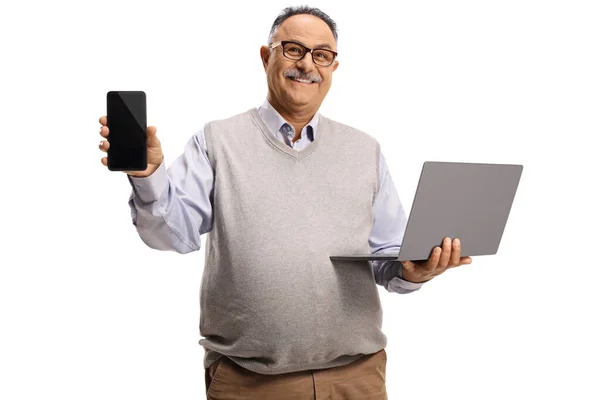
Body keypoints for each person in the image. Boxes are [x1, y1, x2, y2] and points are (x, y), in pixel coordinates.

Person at [98, 6, 472, 399]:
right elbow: (171, 235)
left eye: (321, 55)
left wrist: (417, 271)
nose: (307, 64)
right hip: (251, 383)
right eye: (293, 49)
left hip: (357, 378)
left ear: (333, 67)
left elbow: (387, 256)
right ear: (266, 56)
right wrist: (148, 175)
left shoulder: (365, 150)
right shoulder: (217, 142)